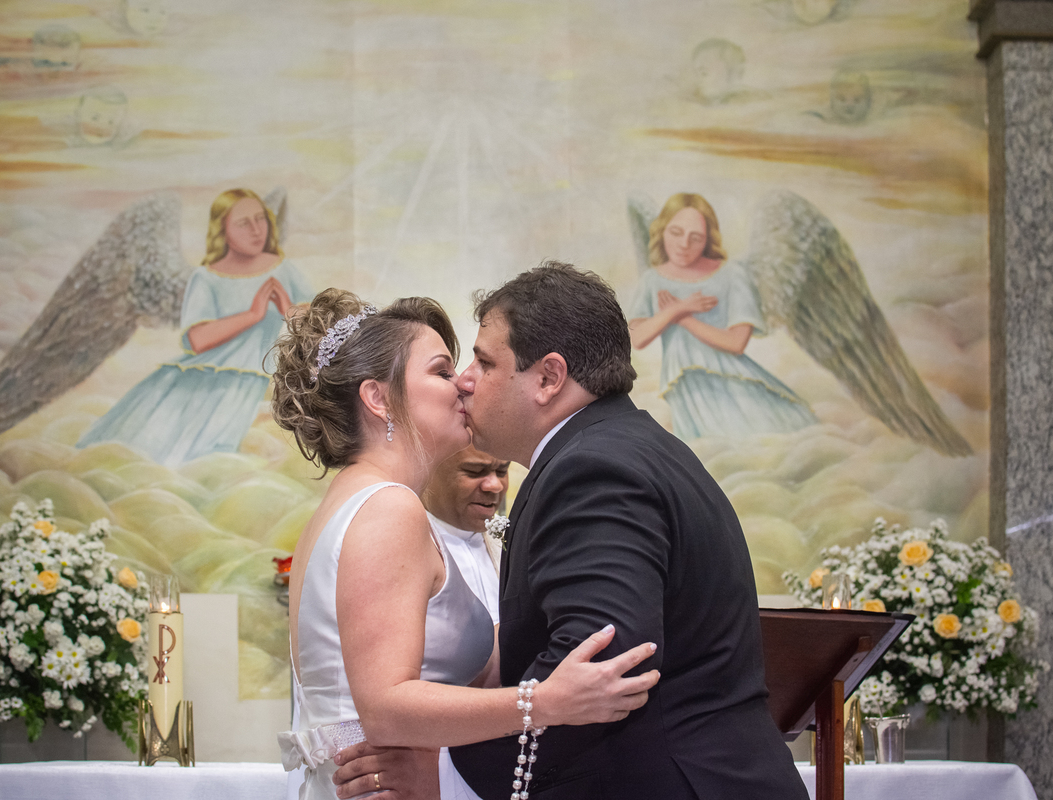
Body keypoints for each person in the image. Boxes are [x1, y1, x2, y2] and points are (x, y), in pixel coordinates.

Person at [271, 289, 660, 800]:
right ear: (378, 398)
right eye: (440, 371)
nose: (462, 384)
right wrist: (544, 702)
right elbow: (384, 709)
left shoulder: (354, 500)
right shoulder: (388, 506)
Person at [439, 262, 808, 798]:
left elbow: (603, 666)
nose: (464, 379)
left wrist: (453, 769)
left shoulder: (593, 469)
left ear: (548, 378)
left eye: (485, 361)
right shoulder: (630, 446)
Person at [76, 188, 312, 466]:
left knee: (214, 458)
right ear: (223, 231)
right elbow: (196, 339)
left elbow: (314, 325)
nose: (256, 230)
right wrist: (252, 314)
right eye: (243, 223)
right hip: (201, 377)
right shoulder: (206, 277)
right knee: (151, 451)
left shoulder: (284, 269)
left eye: (260, 219)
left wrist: (287, 307)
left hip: (252, 379)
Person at [627, 193, 816, 440]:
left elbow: (736, 342)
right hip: (688, 392)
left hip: (737, 389)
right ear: (661, 230)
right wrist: (676, 309)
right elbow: (637, 337)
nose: (684, 244)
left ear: (708, 239)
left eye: (696, 237)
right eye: (676, 232)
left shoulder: (731, 275)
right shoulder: (652, 280)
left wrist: (684, 318)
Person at [421, 444, 509, 624]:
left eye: (502, 471)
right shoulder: (407, 546)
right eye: (475, 471)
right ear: (427, 471)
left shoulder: (512, 541)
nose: (495, 485)